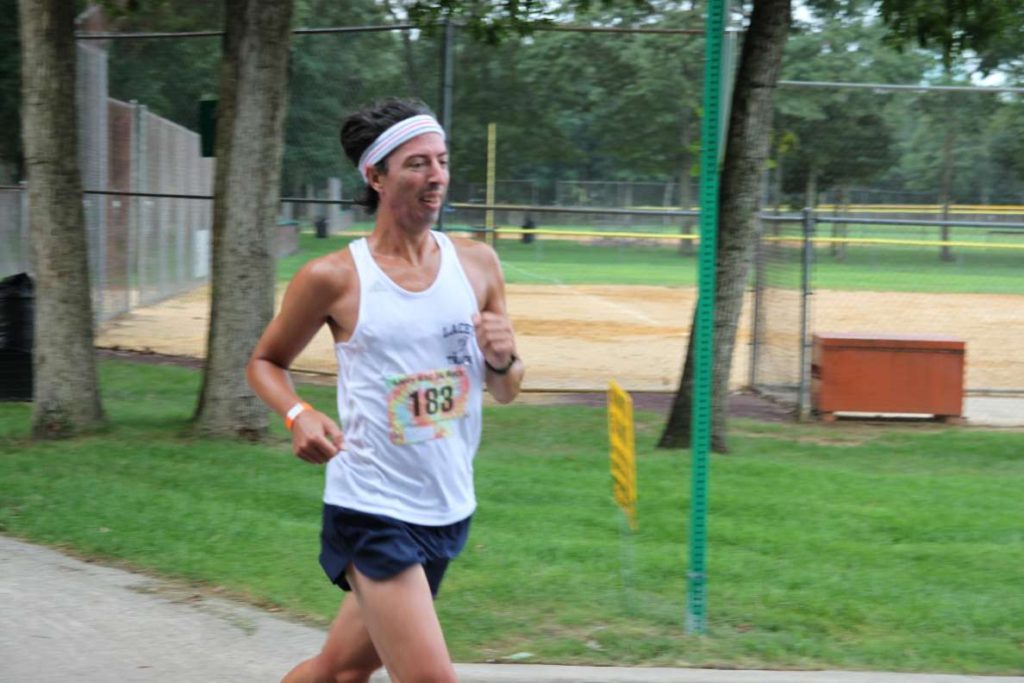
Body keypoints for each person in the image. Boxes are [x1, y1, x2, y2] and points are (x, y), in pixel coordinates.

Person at [246, 98, 524, 683]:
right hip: (371, 506)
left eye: (441, 160)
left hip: (448, 503)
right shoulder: (334, 277)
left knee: (339, 671)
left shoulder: (478, 264)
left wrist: (503, 359)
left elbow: (506, 389)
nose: (437, 176)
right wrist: (297, 413)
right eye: (417, 164)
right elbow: (265, 362)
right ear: (375, 176)